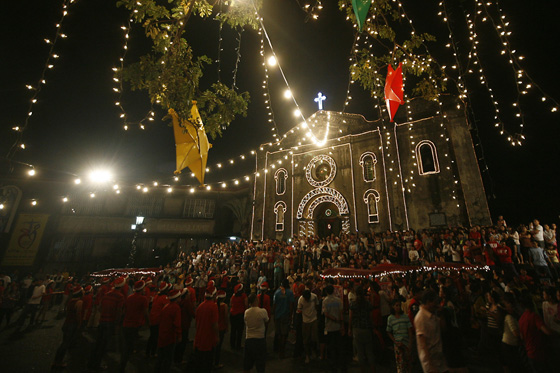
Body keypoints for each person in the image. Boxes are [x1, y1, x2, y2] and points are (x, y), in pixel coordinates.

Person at [88, 276, 125, 371]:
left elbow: (100, 307)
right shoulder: (120, 297)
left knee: (98, 342)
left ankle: (92, 362)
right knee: (104, 344)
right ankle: (97, 364)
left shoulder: (107, 294)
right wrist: (116, 322)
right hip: (110, 322)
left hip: (102, 320)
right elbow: (119, 311)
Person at [414, 289, 448, 373]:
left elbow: (443, 329)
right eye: (435, 303)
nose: (436, 305)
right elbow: (423, 345)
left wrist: (441, 313)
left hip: (439, 357)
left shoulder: (433, 313)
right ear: (429, 302)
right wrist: (431, 365)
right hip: (430, 361)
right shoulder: (421, 318)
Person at [120, 280, 149, 373]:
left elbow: (124, 310)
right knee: (129, 347)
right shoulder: (143, 299)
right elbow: (145, 312)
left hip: (126, 324)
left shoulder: (129, 297)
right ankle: (125, 366)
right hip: (135, 324)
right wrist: (149, 322)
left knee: (127, 346)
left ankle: (123, 364)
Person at [52, 285, 84, 368]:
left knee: (64, 342)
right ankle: (58, 361)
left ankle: (57, 360)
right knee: (65, 343)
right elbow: (78, 315)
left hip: (67, 323)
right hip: (72, 324)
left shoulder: (70, 301)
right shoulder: (79, 302)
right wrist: (80, 324)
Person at [349, 285, 376, 373]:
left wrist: (349, 328)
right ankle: (372, 370)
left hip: (357, 329)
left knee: (360, 352)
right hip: (367, 328)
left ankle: (363, 370)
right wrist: (372, 326)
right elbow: (371, 317)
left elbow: (350, 317)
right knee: (369, 352)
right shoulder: (367, 303)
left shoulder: (353, 304)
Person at [154, 288, 182, 373]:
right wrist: (179, 335)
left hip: (162, 334)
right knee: (168, 358)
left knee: (160, 357)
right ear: (176, 298)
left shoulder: (166, 306)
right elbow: (177, 324)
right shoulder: (176, 308)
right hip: (170, 335)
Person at [194, 283, 219, 373]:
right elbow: (215, 324)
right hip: (208, 337)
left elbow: (196, 323)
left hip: (199, 336)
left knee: (200, 361)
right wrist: (217, 336)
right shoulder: (213, 306)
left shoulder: (200, 306)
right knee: (207, 361)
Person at [322, 283, 345, 373]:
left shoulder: (325, 301)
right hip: (338, 327)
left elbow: (326, 314)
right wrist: (342, 325)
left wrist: (334, 319)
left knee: (331, 347)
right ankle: (340, 364)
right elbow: (341, 313)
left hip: (329, 327)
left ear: (327, 292)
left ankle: (333, 365)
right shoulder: (338, 300)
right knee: (338, 346)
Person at [244, 293, 269, 373]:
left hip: (249, 340)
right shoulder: (262, 311)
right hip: (260, 340)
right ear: (255, 300)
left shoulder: (246, 312)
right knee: (260, 365)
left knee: (247, 365)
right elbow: (267, 321)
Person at [387, 298, 413, 373]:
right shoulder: (390, 318)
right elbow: (388, 331)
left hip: (406, 342)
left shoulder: (405, 317)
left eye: (399, 305)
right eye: (396, 305)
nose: (398, 307)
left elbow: (409, 330)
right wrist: (395, 341)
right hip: (398, 344)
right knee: (400, 365)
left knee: (408, 364)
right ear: (393, 307)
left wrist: (410, 343)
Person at [146, 282, 170, 357]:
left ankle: (148, 352)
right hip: (158, 319)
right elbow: (167, 310)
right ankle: (153, 352)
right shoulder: (164, 298)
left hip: (152, 318)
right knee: (156, 337)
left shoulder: (156, 296)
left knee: (152, 336)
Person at [297, 284, 319, 364]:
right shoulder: (301, 300)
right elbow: (299, 310)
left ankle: (313, 351)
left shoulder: (314, 297)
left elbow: (317, 305)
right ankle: (307, 355)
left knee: (314, 338)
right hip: (305, 321)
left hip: (314, 319)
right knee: (306, 339)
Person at [230, 283, 248, 350]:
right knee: (240, 331)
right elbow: (246, 304)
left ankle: (232, 344)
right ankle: (238, 345)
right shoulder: (243, 296)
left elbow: (230, 303)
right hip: (240, 315)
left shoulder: (233, 296)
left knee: (233, 330)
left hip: (233, 314)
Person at [214, 290, 229, 369]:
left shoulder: (214, 305)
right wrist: (227, 326)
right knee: (219, 346)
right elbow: (226, 317)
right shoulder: (225, 306)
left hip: (214, 327)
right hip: (222, 327)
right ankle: (216, 362)